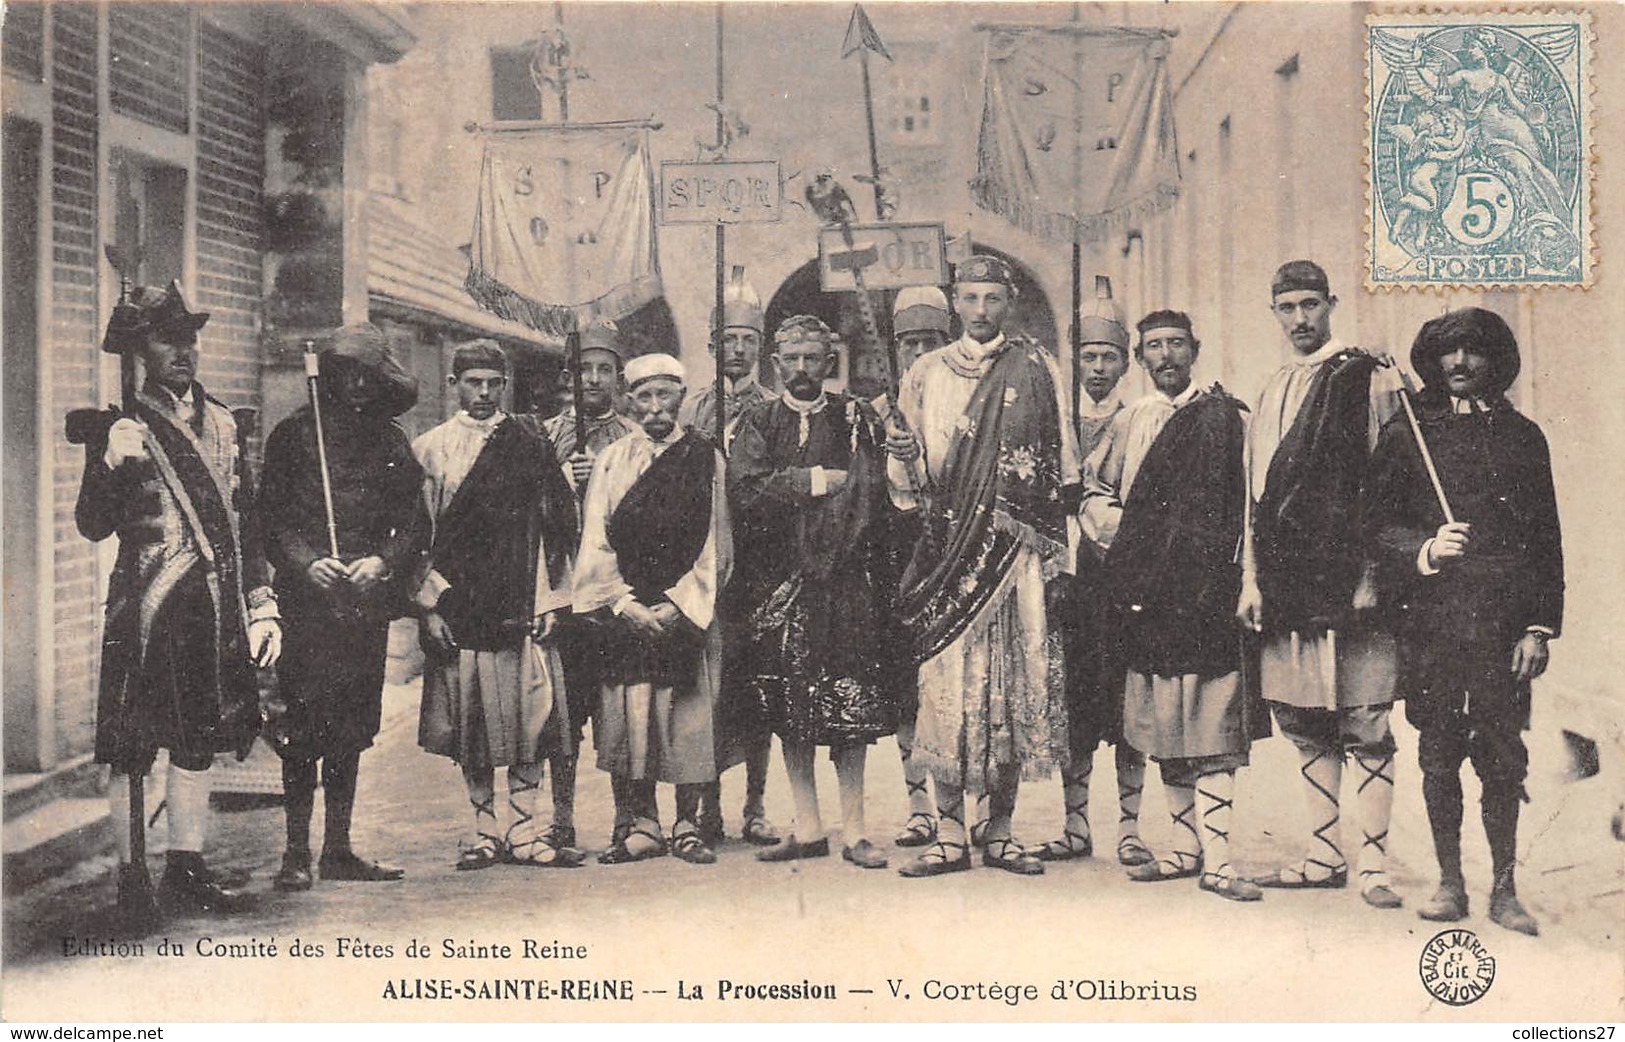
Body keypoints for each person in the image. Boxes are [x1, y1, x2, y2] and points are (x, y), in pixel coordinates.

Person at [76, 281, 281, 930]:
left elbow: (247, 526)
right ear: (139, 352)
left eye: (189, 338)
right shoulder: (119, 424)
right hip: (141, 607)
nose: (183, 351)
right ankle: (132, 880)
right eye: (167, 339)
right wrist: (110, 462)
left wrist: (263, 604)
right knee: (131, 747)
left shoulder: (224, 423)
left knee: (198, 742)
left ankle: (185, 870)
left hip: (209, 607)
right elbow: (91, 524)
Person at [1366, 308, 1562, 936]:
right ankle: (1450, 881)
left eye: (1473, 352)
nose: (1459, 364)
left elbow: (1545, 539)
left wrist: (1538, 627)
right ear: (1432, 360)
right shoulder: (1407, 433)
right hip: (1434, 622)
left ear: (1495, 360)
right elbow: (1376, 526)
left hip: (1504, 625)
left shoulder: (1524, 436)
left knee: (1503, 755)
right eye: (1448, 353)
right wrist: (1426, 547)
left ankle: (1504, 887)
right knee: (1439, 750)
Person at [886, 254, 1077, 878]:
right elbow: (909, 487)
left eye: (991, 299)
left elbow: (1062, 464)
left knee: (1010, 684)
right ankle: (946, 833)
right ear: (954, 304)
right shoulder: (924, 373)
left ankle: (1000, 830)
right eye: (969, 299)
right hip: (947, 548)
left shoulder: (1036, 366)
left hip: (1015, 558)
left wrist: (1053, 556)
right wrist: (905, 456)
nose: (980, 311)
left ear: (1009, 302)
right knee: (946, 692)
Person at [1239, 261, 1404, 910]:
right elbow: (1256, 495)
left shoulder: (1364, 376)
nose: (1300, 319)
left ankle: (1373, 866)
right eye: (1287, 308)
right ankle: (1322, 853)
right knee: (1306, 720)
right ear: (1274, 313)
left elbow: (1391, 481)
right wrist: (1251, 579)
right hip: (1287, 581)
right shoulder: (1273, 385)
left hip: (1351, 582)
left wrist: (1371, 573)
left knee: (1364, 720)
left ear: (1331, 305)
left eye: (1311, 305)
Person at [1082, 311, 1264, 901]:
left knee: (1210, 721)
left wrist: (1248, 580)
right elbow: (1094, 492)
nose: (1166, 356)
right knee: (1166, 721)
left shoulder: (1229, 417)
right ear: (1139, 357)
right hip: (1149, 594)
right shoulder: (1128, 421)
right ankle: (1184, 848)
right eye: (1154, 347)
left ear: (1196, 349)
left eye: (1176, 345)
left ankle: (1221, 860)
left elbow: (1251, 505)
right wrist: (1134, 542)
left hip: (1210, 590)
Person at [260, 323, 427, 892]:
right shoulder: (291, 438)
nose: (356, 385)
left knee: (351, 728)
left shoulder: (390, 442)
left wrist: (381, 562)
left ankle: (338, 848)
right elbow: (270, 519)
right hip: (308, 608)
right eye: (345, 374)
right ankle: (294, 852)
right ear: (327, 377)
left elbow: (413, 524)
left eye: (367, 375)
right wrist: (306, 562)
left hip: (362, 607)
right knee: (301, 727)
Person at [728, 315, 896, 869]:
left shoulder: (856, 417)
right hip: (779, 584)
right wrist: (819, 481)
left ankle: (854, 830)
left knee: (848, 706)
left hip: (845, 582)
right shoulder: (757, 420)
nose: (802, 370)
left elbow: (875, 488)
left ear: (830, 362)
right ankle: (807, 826)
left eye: (812, 359)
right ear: (776, 365)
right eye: (791, 360)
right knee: (788, 707)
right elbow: (746, 491)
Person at [414, 340, 583, 869]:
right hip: (463, 608)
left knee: (531, 719)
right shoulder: (431, 450)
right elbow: (419, 538)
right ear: (454, 383)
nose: (483, 394)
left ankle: (526, 828)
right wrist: (431, 607)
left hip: (523, 603)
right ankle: (483, 827)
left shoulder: (530, 443)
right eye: (473, 383)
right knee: (476, 724)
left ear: (504, 385)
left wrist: (554, 599)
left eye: (493, 383)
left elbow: (557, 527)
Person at [573, 353, 732, 866]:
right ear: (629, 400)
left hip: (684, 609)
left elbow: (718, 543)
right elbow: (594, 539)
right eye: (645, 397)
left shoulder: (706, 458)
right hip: (626, 610)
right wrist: (622, 604)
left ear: (682, 399)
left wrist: (678, 605)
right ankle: (641, 822)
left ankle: (688, 822)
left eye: (666, 396)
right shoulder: (612, 460)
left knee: (687, 717)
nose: (656, 408)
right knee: (632, 716)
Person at [1040, 277, 1152, 868]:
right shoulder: (1055, 421)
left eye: (1109, 357)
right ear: (1074, 360)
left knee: (1127, 705)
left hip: (1124, 579)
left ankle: (1131, 826)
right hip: (1071, 581)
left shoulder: (1141, 419)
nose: (1099, 368)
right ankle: (1075, 823)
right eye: (1089, 357)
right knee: (1076, 705)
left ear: (1126, 362)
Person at [678, 272, 779, 848]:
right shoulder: (693, 409)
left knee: (756, 690)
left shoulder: (771, 409)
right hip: (704, 565)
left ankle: (757, 804)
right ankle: (708, 805)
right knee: (708, 690)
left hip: (758, 567)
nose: (738, 350)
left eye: (748, 340)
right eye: (729, 340)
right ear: (714, 345)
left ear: (759, 348)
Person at [542, 319, 641, 851]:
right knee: (565, 711)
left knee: (618, 707)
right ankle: (562, 817)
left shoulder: (633, 436)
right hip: (564, 590)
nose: (595, 380)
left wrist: (602, 476)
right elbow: (531, 507)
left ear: (619, 378)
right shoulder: (546, 436)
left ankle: (627, 818)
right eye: (585, 370)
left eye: (605, 370)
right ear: (569, 376)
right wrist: (564, 478)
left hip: (615, 592)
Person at [879, 286, 952, 850]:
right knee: (907, 687)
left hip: (953, 555)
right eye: (910, 343)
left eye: (930, 341)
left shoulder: (965, 400)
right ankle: (917, 803)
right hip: (895, 558)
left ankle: (957, 805)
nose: (920, 353)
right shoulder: (873, 411)